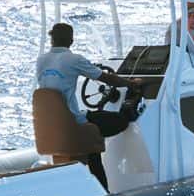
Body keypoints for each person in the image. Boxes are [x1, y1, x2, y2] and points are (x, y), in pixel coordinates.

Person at [34, 22, 135, 186]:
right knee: (121, 121)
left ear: (51, 40)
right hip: (73, 122)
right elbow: (106, 78)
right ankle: (104, 188)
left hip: (51, 124)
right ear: (71, 41)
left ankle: (94, 181)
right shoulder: (74, 59)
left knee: (92, 145)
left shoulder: (41, 60)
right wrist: (131, 84)